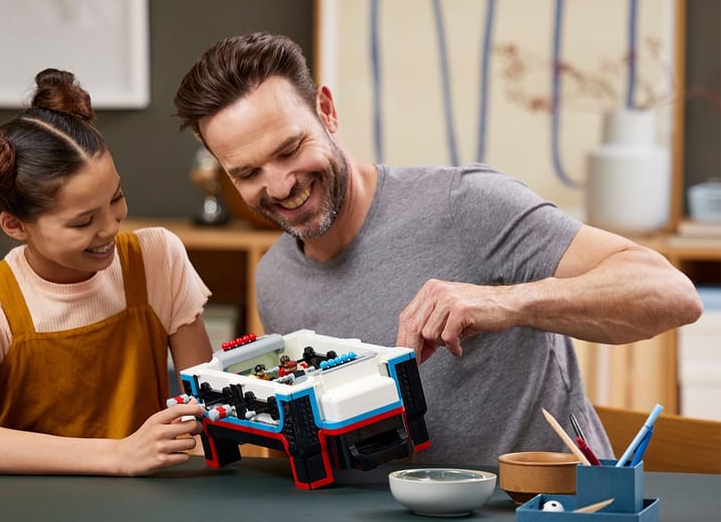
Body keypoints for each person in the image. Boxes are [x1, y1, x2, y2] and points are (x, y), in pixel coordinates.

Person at [172, 32, 703, 466]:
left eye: (290, 148)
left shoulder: (467, 203)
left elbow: (672, 294)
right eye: (246, 172)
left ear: (327, 112)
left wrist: (504, 303)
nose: (281, 185)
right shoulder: (275, 278)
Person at [0, 69, 212, 475]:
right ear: (16, 225)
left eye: (117, 198)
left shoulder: (158, 258)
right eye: (83, 222)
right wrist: (119, 455)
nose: (111, 228)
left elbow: (205, 407)